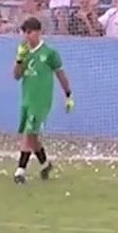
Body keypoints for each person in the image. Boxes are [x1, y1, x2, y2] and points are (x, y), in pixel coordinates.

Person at [12, 18, 74, 184]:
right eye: (24, 32)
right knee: (32, 135)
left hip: (41, 100)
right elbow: (16, 76)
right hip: (27, 98)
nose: (27, 36)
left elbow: (61, 74)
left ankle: (20, 170)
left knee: (28, 132)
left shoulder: (49, 53)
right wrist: (19, 60)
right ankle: (45, 163)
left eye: (30, 32)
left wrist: (68, 95)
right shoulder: (23, 52)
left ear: (38, 32)